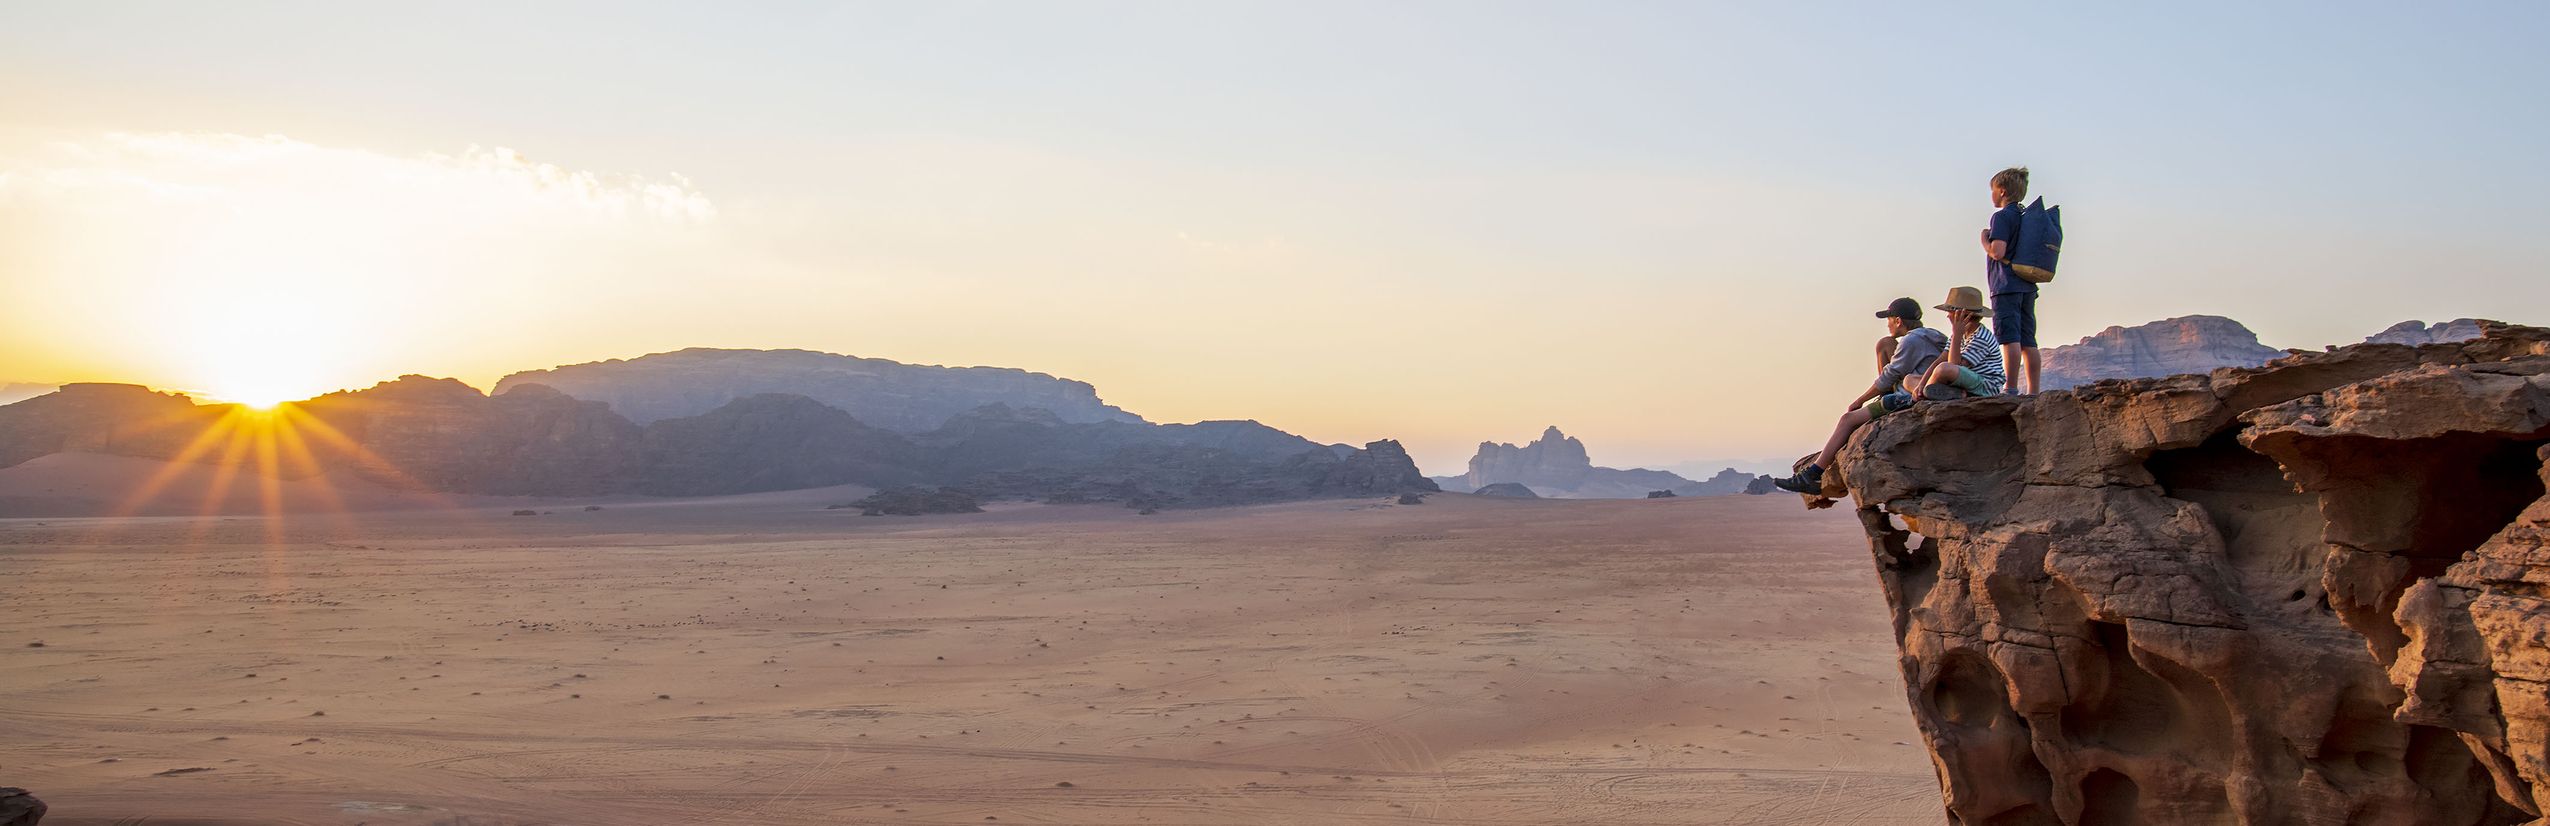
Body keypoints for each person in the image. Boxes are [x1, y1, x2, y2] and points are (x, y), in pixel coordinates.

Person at [1771, 297, 1947, 494]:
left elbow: (1888, 377)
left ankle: (1812, 474)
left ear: (1898, 321)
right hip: (1921, 388)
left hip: (1905, 398)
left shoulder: (1910, 341)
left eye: (1889, 319)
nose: (1887, 324)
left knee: (1847, 420)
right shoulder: (1933, 336)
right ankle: (1811, 474)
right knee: (1884, 342)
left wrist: (1859, 400)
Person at [1982, 167, 2041, 394]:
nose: (1993, 195)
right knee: (2029, 340)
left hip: (2005, 285)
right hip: (2027, 284)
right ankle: (2034, 391)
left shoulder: (2001, 217)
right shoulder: (2026, 217)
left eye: (1994, 190)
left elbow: (1998, 252)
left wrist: (1984, 240)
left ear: (2003, 191)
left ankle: (2011, 388)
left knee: (2010, 338)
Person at [1924, 286, 2005, 400]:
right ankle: (1948, 393)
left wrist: (1957, 334)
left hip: (1984, 386)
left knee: (1943, 369)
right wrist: (1922, 384)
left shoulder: (1981, 337)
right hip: (1964, 382)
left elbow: (1954, 365)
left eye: (1949, 312)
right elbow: (1940, 360)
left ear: (1961, 314)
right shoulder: (1959, 334)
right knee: (1910, 379)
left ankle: (1924, 396)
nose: (1947, 316)